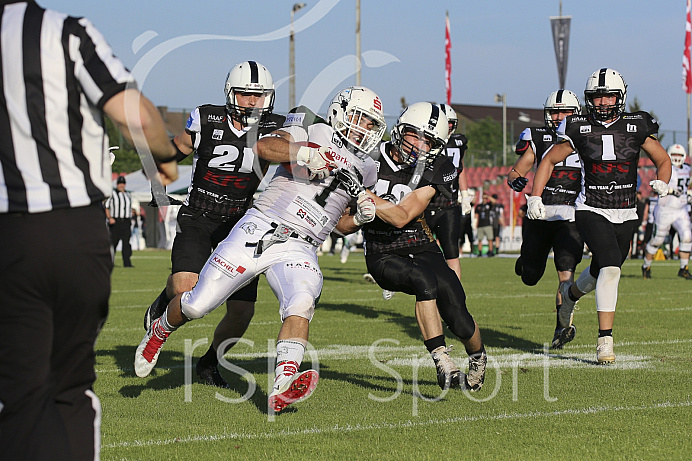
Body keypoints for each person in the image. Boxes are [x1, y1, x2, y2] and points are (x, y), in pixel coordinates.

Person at [134, 86, 386, 414]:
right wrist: (305, 152)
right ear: (341, 111)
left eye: (371, 123)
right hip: (262, 225)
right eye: (360, 118)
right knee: (197, 305)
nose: (364, 128)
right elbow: (265, 146)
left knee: (302, 301)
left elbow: (342, 223)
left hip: (302, 246)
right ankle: (160, 329)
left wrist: (361, 218)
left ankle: (283, 383)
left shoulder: (368, 167)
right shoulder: (311, 127)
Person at [0, 2, 177, 459]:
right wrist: (165, 153)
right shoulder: (63, 31)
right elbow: (133, 114)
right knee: (68, 390)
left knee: (20, 397)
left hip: (9, 233)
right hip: (72, 227)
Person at [142, 61, 286, 389]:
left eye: (259, 95)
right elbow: (173, 150)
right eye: (245, 94)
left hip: (241, 222)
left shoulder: (277, 127)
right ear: (230, 94)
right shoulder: (207, 118)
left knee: (241, 313)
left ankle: (209, 363)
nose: (252, 102)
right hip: (199, 216)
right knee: (184, 288)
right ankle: (163, 303)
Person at [528, 68, 671, 364]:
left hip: (627, 211)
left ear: (621, 97)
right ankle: (605, 340)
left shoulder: (637, 124)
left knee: (600, 271)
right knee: (610, 267)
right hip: (591, 208)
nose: (604, 102)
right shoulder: (578, 126)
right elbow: (549, 160)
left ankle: (569, 295)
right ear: (589, 98)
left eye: (609, 96)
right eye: (597, 96)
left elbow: (662, 158)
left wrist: (664, 181)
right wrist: (535, 195)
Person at [361, 102, 487, 391]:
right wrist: (356, 215)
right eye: (415, 136)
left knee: (459, 316)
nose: (419, 146)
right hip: (382, 250)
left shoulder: (438, 167)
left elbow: (403, 215)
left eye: (428, 141)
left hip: (420, 243)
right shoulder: (366, 157)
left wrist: (364, 194)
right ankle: (443, 360)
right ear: (400, 130)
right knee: (424, 282)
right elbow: (343, 225)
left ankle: (478, 356)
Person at [506, 89, 584, 349]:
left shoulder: (588, 136)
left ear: (576, 114)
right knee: (530, 276)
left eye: (565, 112)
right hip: (540, 214)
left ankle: (562, 327)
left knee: (566, 273)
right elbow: (518, 168)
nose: (559, 116)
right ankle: (524, 262)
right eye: (555, 111)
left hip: (570, 217)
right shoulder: (539, 136)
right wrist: (515, 179)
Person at [424, 104, 470, 279]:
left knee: (451, 251)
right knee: (418, 249)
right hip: (425, 204)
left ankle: (455, 294)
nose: (448, 127)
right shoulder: (425, 141)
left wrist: (465, 195)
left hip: (449, 205)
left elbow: (461, 169)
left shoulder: (458, 142)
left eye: (450, 123)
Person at [641, 144, 692, 279]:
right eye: (674, 155)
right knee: (657, 240)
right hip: (665, 210)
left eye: (679, 155)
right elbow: (655, 185)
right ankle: (646, 265)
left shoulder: (687, 169)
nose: (676, 158)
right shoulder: (666, 167)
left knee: (687, 236)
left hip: (681, 209)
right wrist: (670, 190)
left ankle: (684, 268)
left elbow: (686, 187)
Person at [105, 175, 137, 267]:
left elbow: (127, 207)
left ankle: (127, 263)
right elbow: (106, 207)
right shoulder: (112, 194)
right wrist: (109, 218)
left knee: (126, 244)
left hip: (126, 222)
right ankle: (109, 262)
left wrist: (132, 213)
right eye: (119, 183)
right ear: (117, 184)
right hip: (116, 221)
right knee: (113, 243)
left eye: (123, 183)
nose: (121, 185)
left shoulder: (128, 195)